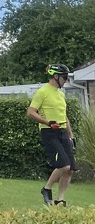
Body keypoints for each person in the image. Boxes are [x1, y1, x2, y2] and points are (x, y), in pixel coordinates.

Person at [27, 64, 75, 206]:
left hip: (62, 132)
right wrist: (47, 122)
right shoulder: (43, 92)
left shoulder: (60, 94)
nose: (66, 80)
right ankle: (47, 189)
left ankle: (60, 200)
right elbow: (30, 112)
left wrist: (71, 136)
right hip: (49, 131)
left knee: (70, 168)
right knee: (63, 165)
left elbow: (64, 117)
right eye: (64, 77)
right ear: (56, 76)